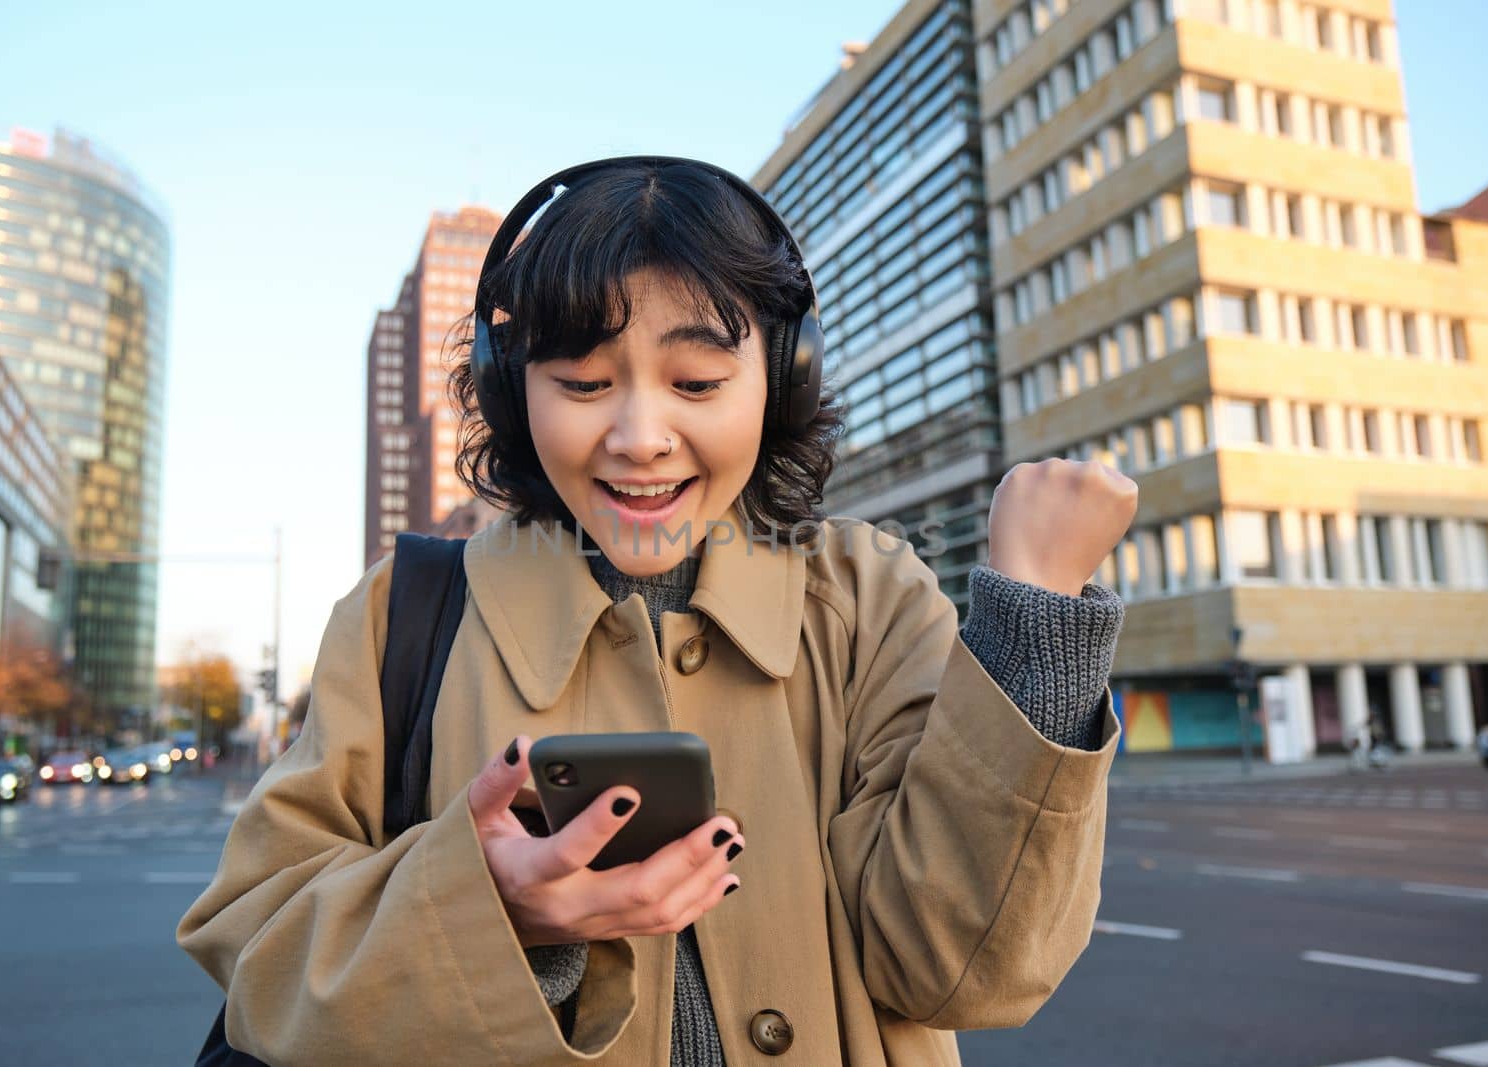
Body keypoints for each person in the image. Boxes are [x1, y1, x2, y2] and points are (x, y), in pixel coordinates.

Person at [177, 157, 1137, 1065]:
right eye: (584, 383)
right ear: (515, 392)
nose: (640, 438)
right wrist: (495, 912)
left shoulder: (871, 598)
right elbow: (260, 951)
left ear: (781, 378)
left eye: (698, 383)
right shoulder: (406, 613)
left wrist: (1035, 623)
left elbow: (962, 968)